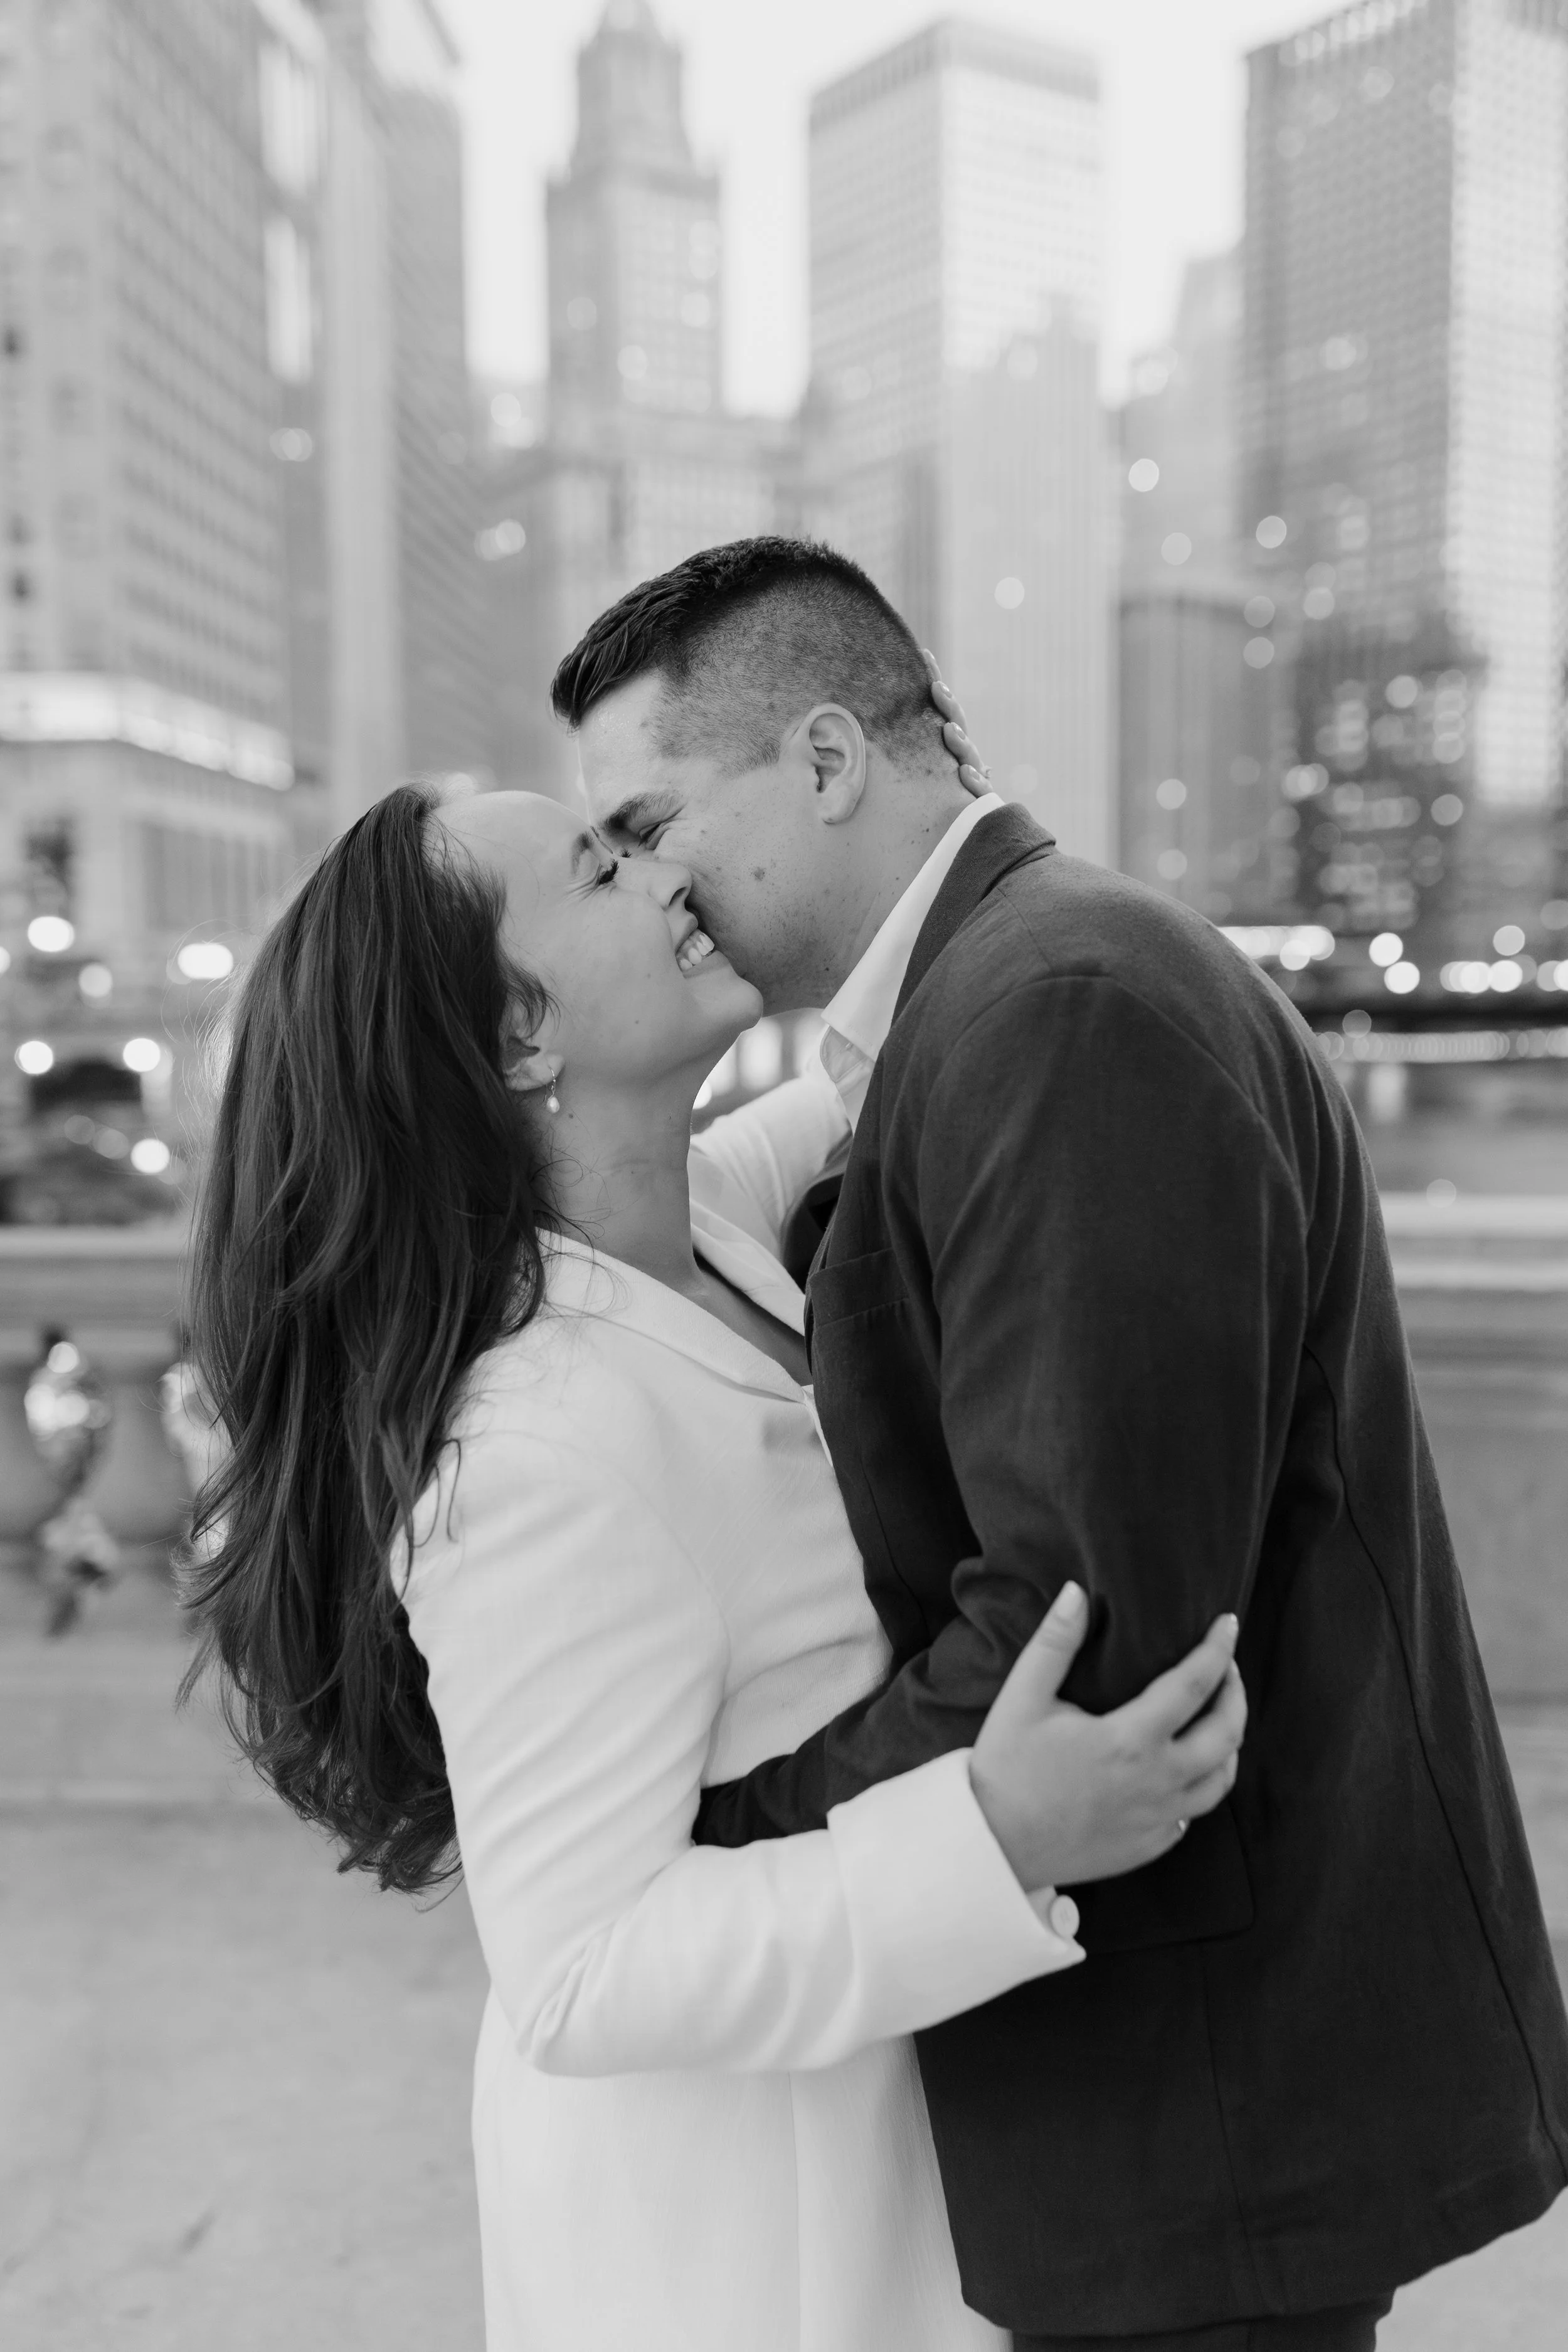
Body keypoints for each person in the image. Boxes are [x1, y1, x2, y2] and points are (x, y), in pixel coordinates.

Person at [561, 534, 1568, 2352]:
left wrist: (706, 1837)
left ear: (819, 758)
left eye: (647, 821)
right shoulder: (984, 998)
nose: (649, 887)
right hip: (1181, 2057)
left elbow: (1078, 1639)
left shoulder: (1058, 1011)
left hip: (1206, 2089)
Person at [182, 776, 1249, 2352]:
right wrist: (995, 1832)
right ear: (521, 1039)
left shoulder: (700, 1217)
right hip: (737, 2224)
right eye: (598, 867)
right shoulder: (534, 1451)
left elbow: (923, 1023)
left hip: (877, 2119)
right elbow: (576, 1972)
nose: (662, 868)